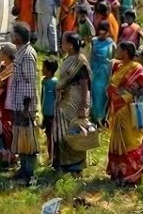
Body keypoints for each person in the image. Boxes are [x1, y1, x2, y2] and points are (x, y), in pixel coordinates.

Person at [106, 41, 143, 186]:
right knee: (117, 141)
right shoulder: (118, 66)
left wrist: (124, 94)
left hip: (128, 110)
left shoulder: (136, 68)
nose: (116, 51)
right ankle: (117, 172)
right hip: (116, 110)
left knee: (130, 142)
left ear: (125, 52)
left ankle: (131, 176)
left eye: (118, 49)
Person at [53, 32, 91, 174]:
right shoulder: (68, 58)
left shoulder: (79, 61)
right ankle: (65, 163)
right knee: (63, 132)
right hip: (65, 99)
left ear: (69, 45)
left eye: (63, 41)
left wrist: (82, 106)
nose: (61, 44)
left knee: (75, 133)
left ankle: (76, 167)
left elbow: (84, 83)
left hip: (75, 100)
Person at [8, 23, 41, 181]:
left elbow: (30, 81)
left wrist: (27, 107)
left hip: (24, 104)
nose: (11, 36)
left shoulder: (27, 54)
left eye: (12, 34)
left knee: (28, 137)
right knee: (20, 136)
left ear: (18, 37)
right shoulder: (20, 52)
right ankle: (23, 168)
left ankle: (29, 171)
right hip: (18, 102)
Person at [0, 44, 16, 162]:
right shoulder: (3, 66)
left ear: (6, 54)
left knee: (7, 129)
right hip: (0, 103)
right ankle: (1, 153)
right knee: (0, 129)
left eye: (1, 50)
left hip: (7, 104)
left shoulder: (11, 68)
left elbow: (4, 87)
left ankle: (9, 155)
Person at [89, 22, 116, 123]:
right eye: (100, 32)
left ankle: (102, 117)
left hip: (105, 72)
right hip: (94, 70)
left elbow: (113, 59)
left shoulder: (111, 44)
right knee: (94, 93)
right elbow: (90, 55)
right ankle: (95, 116)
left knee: (102, 94)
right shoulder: (94, 41)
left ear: (108, 32)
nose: (102, 34)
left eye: (104, 32)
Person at [41, 58, 59, 165]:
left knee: (52, 136)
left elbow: (57, 98)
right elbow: (43, 95)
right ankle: (50, 156)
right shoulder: (44, 81)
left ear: (49, 70)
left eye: (44, 67)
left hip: (53, 114)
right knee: (48, 135)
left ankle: (53, 157)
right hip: (46, 113)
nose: (42, 69)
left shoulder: (55, 82)